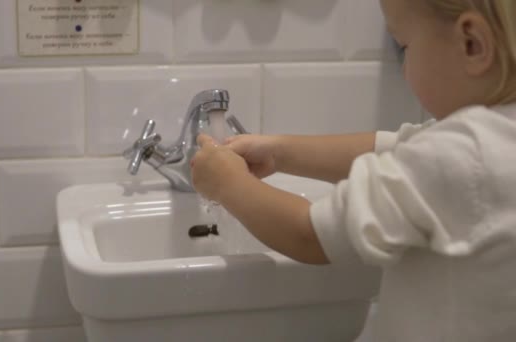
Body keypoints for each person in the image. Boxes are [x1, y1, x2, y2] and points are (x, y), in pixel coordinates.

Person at [190, 0, 516, 340]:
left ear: (472, 43)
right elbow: (392, 147)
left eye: (405, 47)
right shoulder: (492, 138)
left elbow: (310, 235)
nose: (404, 68)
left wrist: (228, 183)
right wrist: (280, 152)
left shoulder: (463, 154)